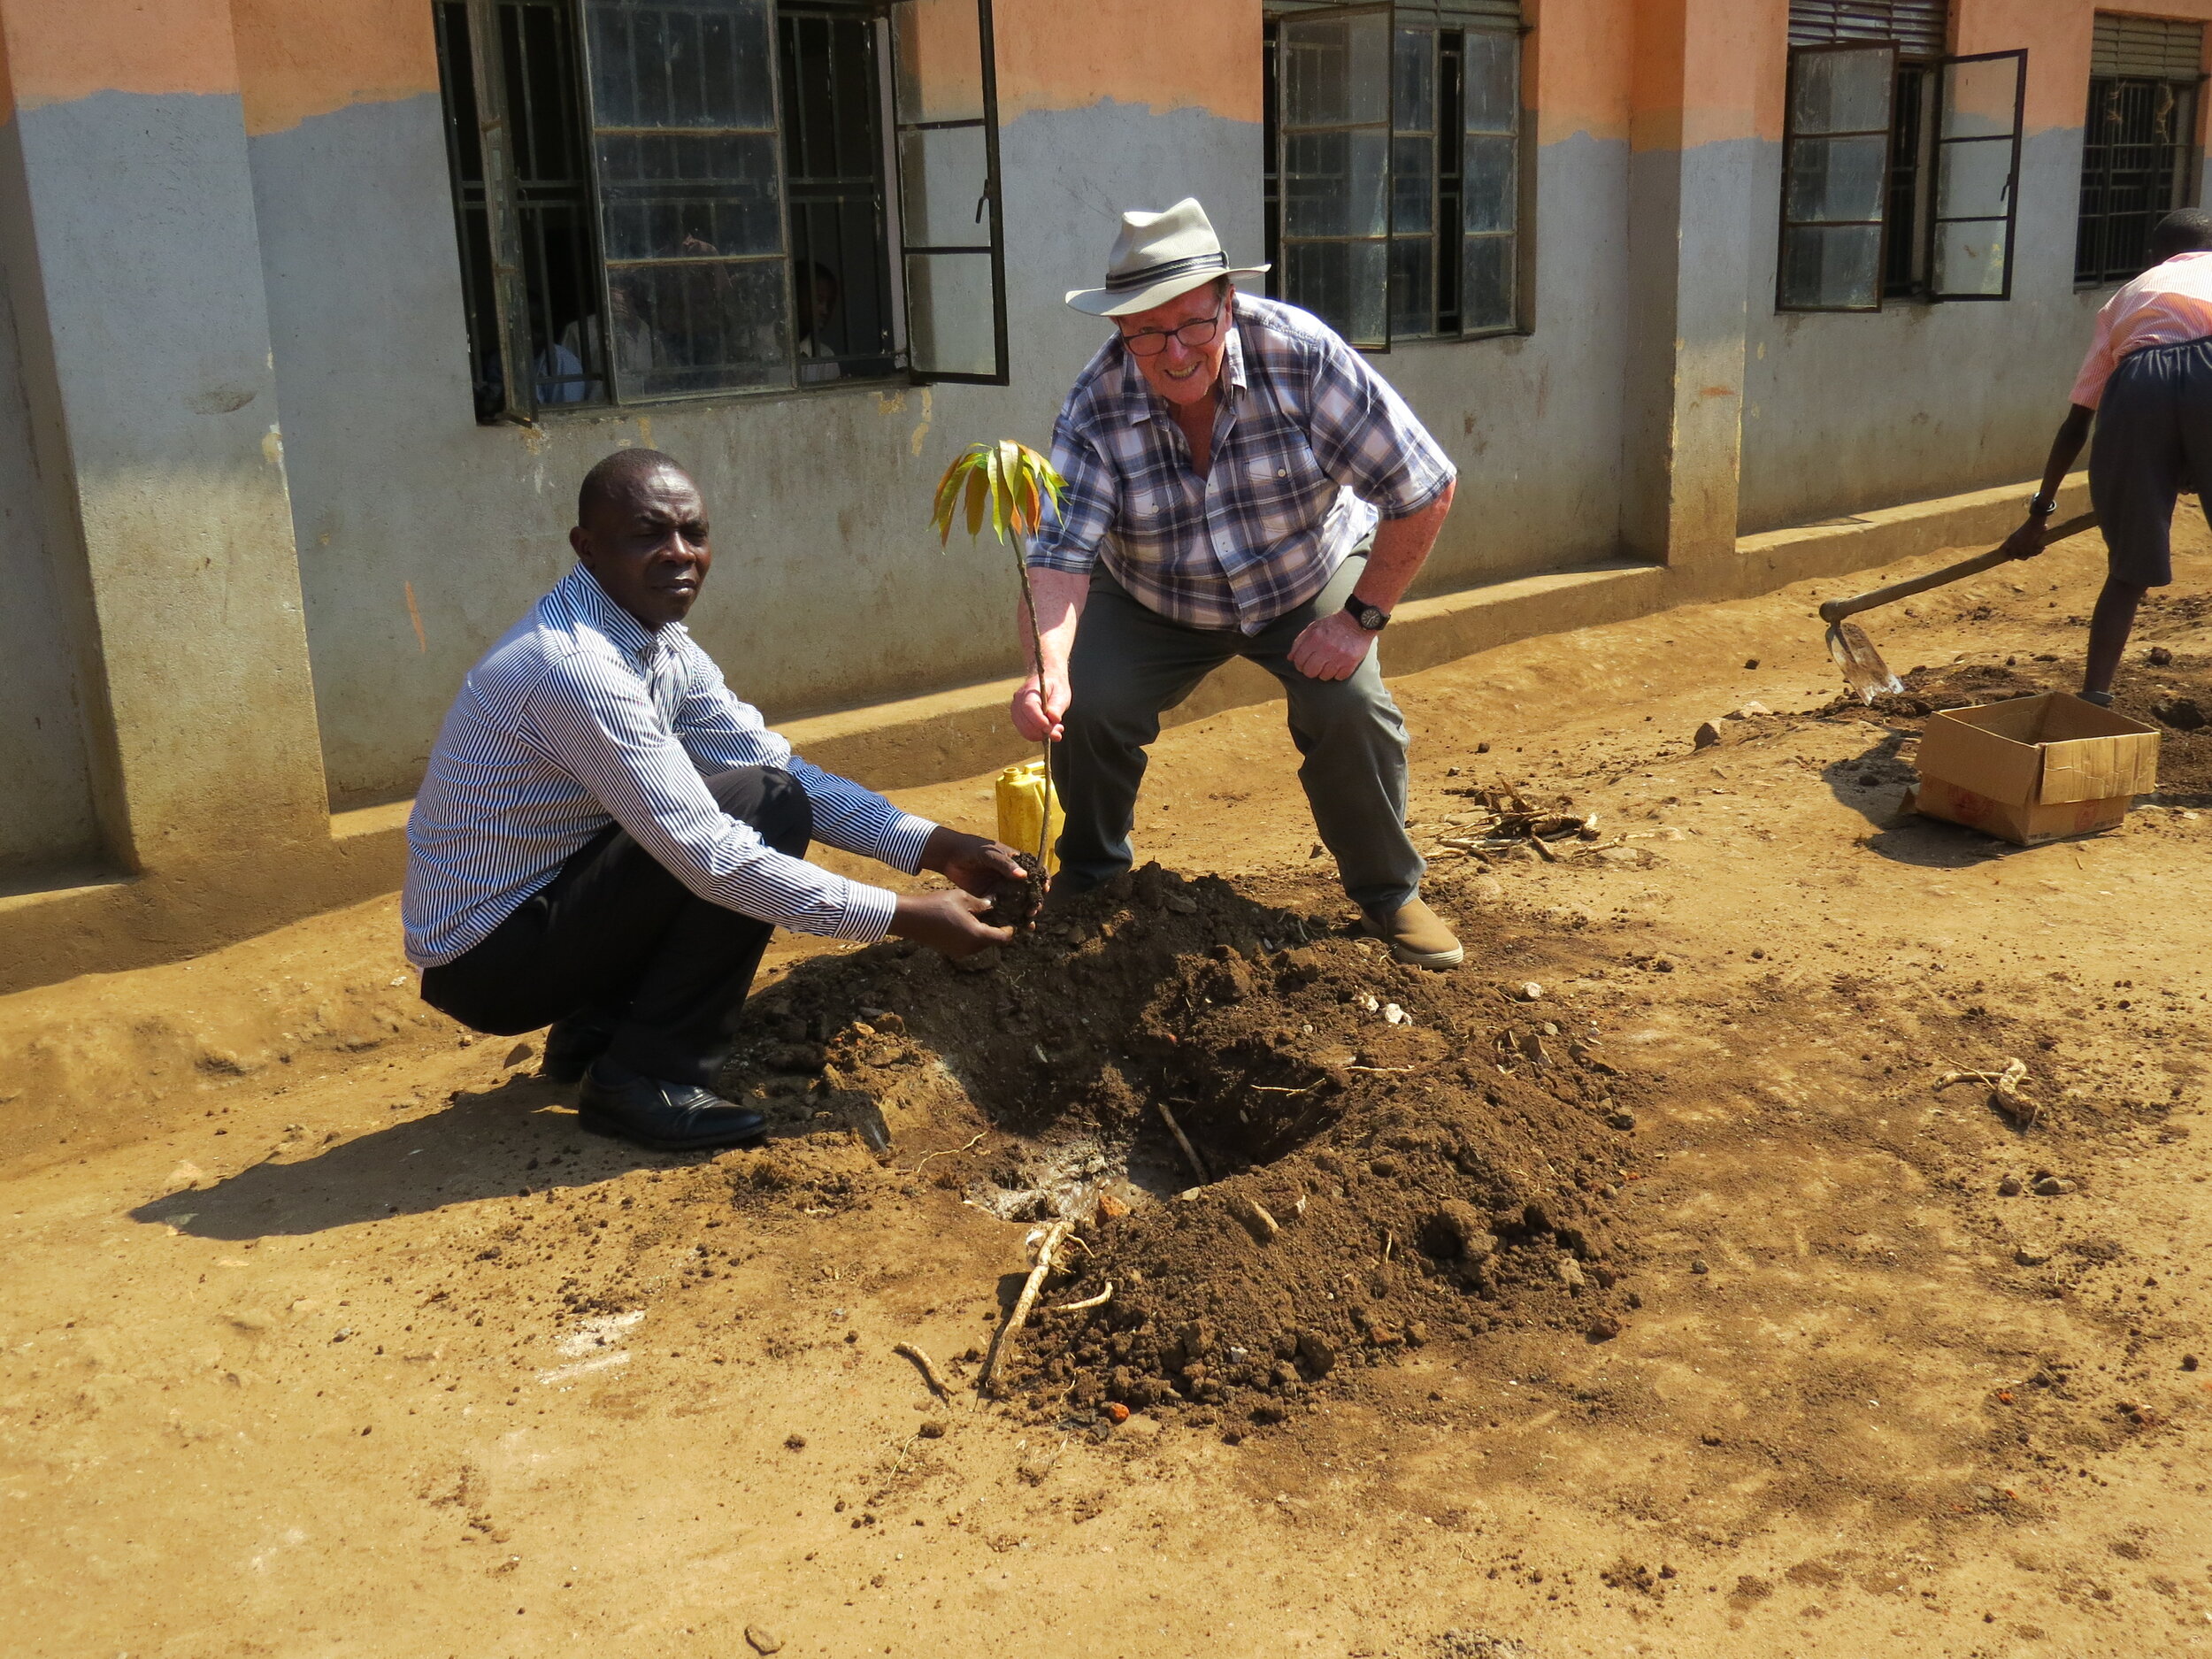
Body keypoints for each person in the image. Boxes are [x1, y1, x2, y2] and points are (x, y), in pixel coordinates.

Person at [403, 449, 1020, 1152]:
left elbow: (780, 770)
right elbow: (709, 858)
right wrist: (904, 917)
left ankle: (603, 1025)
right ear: (587, 547)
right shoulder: (575, 666)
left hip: (542, 920)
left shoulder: (659, 644)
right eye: (648, 535)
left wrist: (939, 847)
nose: (679, 554)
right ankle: (643, 1078)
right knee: (749, 816)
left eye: (693, 533)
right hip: (487, 962)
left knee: (770, 791)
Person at [1018, 198, 1464, 968]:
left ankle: (1390, 892)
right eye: (1147, 331)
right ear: (1119, 329)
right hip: (1157, 591)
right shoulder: (1095, 403)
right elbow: (1059, 556)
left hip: (1304, 573)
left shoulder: (1302, 358)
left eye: (1194, 323)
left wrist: (1361, 617)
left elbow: (1424, 487)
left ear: (1228, 303)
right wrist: (1046, 669)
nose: (1176, 351)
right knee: (1085, 704)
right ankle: (1089, 881)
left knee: (1349, 703)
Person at [1999, 207, 2212, 703]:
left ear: (2154, 257)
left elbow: (2078, 422)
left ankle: (2093, 700)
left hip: (2137, 384)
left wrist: (2038, 516)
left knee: (2128, 571)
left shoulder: (2126, 298)